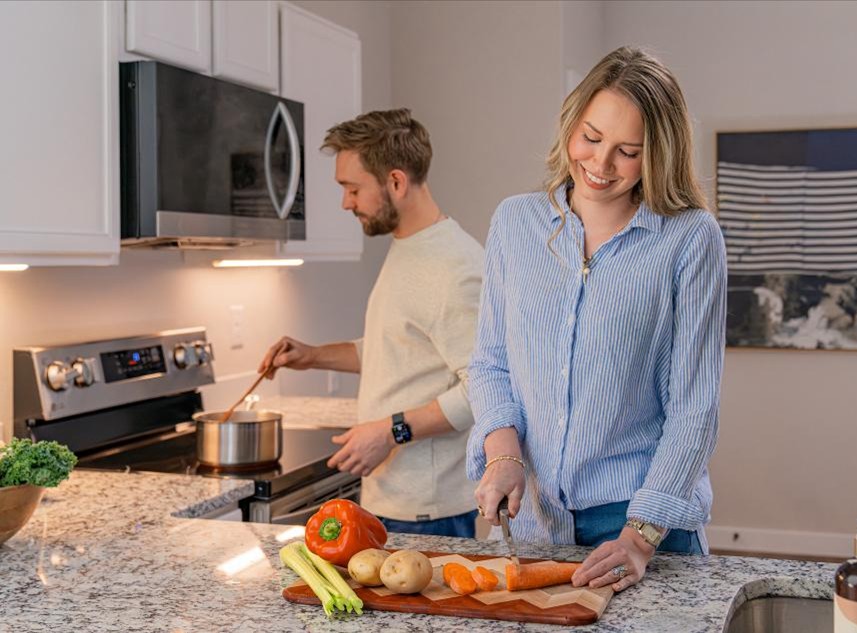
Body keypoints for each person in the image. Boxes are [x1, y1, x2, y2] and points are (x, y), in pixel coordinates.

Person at [466, 47, 727, 592]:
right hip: (534, 524)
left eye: (628, 151)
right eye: (591, 137)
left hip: (642, 529)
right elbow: (491, 364)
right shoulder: (516, 223)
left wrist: (637, 538)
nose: (600, 165)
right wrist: (503, 455)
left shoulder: (689, 239)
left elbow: (694, 410)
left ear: (658, 154)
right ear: (571, 121)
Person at [260, 109, 485, 538]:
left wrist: (390, 431)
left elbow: (483, 388)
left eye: (352, 188)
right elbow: (400, 350)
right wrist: (312, 356)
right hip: (395, 497)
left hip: (427, 511)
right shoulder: (410, 247)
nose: (346, 202)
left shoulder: (453, 267)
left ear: (396, 182)